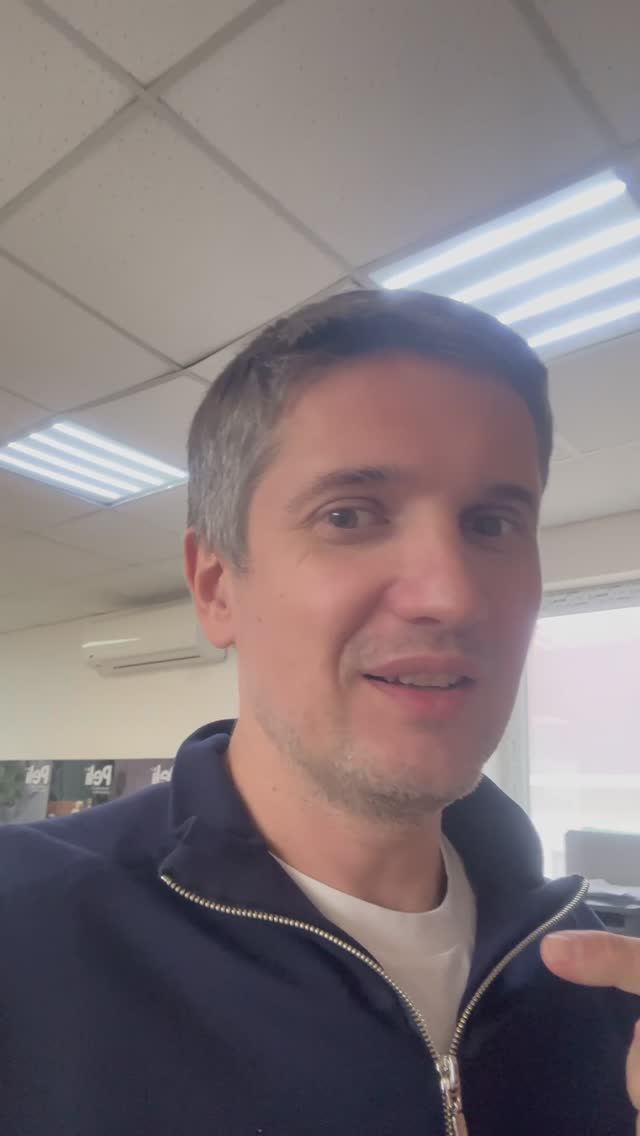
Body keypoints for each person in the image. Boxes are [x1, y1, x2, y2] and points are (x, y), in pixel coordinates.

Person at [1, 290, 639, 1135]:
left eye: (492, 523)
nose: (453, 595)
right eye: (348, 516)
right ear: (216, 587)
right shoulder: (25, 932)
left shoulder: (590, 973)